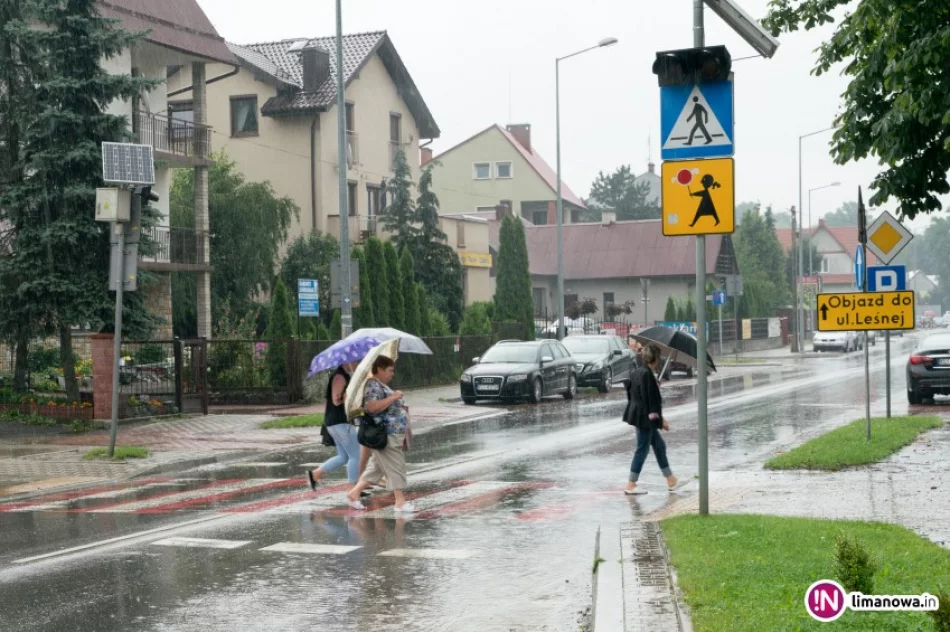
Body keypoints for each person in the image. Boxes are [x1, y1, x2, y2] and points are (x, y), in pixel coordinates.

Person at [346, 356, 414, 512]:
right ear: (380, 369)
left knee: (375, 468)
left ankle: (354, 493)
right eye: (390, 370)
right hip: (386, 433)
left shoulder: (379, 384)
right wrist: (393, 397)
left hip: (390, 433)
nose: (392, 374)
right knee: (396, 465)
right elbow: (372, 407)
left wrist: (394, 397)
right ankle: (400, 501)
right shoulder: (372, 385)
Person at [623, 343, 678, 495]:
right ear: (656, 359)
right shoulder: (647, 375)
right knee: (642, 449)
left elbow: (633, 394)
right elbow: (651, 402)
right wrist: (661, 422)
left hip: (638, 415)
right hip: (645, 419)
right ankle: (631, 483)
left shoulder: (637, 372)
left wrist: (654, 385)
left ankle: (670, 478)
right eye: (659, 357)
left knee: (659, 446)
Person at [307, 362, 363, 490]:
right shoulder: (339, 377)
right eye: (354, 360)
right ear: (346, 361)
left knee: (343, 457)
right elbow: (336, 400)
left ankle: (315, 474)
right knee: (356, 455)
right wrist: (351, 395)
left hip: (336, 422)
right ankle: (354, 488)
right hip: (340, 423)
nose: (356, 362)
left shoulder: (342, 376)